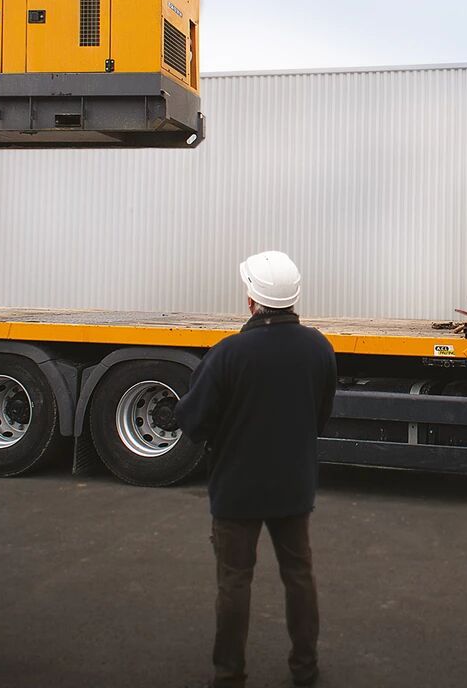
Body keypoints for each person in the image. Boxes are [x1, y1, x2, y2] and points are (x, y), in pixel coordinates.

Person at [173, 250, 337, 688]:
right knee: (299, 575)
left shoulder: (228, 354)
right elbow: (319, 417)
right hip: (293, 484)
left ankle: (229, 674)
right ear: (293, 298)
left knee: (234, 581)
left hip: (237, 488)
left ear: (251, 300)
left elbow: (193, 422)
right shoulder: (319, 348)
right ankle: (305, 668)